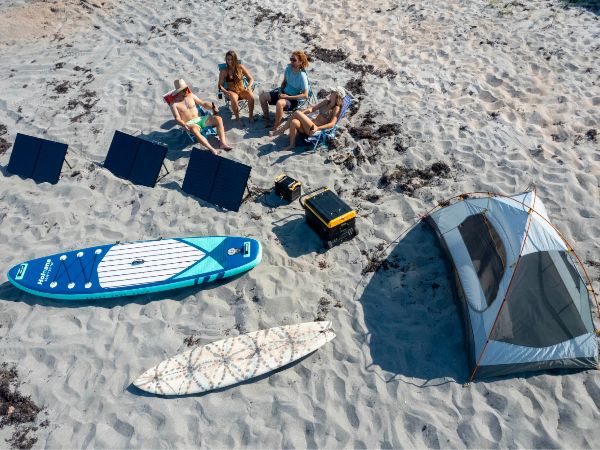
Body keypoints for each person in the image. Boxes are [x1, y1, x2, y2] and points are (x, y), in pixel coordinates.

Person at [269, 86, 346, 151]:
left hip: (315, 129)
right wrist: (301, 114)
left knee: (296, 113)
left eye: (333, 92)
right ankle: (292, 145)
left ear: (336, 97)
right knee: (294, 121)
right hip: (310, 124)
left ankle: (280, 130)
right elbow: (312, 109)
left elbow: (332, 124)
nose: (331, 92)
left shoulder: (336, 109)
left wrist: (318, 128)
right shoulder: (326, 102)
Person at [169, 79, 232, 155]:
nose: (186, 91)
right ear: (178, 92)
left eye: (186, 88)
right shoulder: (174, 104)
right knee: (194, 130)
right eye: (184, 90)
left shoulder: (191, 96)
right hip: (191, 123)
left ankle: (223, 143)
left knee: (218, 119)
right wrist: (184, 124)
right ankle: (212, 149)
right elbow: (177, 118)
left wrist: (212, 107)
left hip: (201, 119)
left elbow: (203, 103)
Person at [259, 51, 309, 130]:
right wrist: (280, 91)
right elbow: (284, 83)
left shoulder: (302, 76)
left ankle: (276, 127)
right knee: (263, 96)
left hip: (293, 99)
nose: (291, 61)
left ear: (300, 62)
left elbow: (305, 95)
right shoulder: (288, 69)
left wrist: (288, 97)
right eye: (291, 59)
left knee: (280, 103)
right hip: (283, 93)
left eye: (294, 60)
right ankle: (267, 119)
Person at [218, 51, 255, 125]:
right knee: (233, 98)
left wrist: (249, 87)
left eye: (231, 59)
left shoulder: (240, 67)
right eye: (228, 59)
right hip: (231, 91)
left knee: (251, 96)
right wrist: (225, 91)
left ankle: (250, 116)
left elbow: (251, 78)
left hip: (241, 91)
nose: (229, 61)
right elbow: (220, 85)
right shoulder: (224, 71)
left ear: (235, 59)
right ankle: (238, 119)